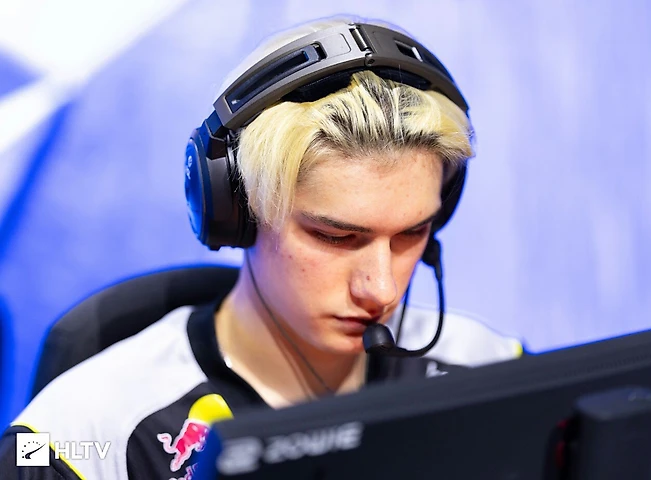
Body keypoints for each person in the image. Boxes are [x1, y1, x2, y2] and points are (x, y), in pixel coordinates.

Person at [0, 16, 522, 479]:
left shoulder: (491, 371)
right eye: (336, 236)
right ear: (238, 212)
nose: (381, 289)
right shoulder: (80, 438)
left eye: (412, 233)